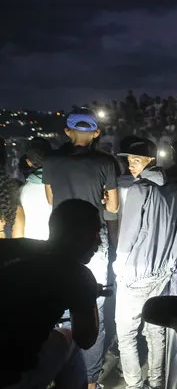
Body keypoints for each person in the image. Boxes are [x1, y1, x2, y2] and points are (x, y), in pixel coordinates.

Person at [42, 109, 119, 389]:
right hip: (92, 241)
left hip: (59, 241)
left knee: (55, 303)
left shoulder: (52, 161)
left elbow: (50, 199)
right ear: (96, 133)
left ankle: (54, 369)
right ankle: (90, 379)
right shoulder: (105, 162)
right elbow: (112, 208)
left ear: (67, 131)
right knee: (91, 304)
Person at [0, 199, 102, 389]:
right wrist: (89, 294)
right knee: (69, 340)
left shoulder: (20, 251)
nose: (99, 242)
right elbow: (86, 338)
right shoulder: (78, 275)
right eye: (95, 233)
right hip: (12, 377)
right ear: (76, 236)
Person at [113, 138, 177, 389]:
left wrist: (119, 267)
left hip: (135, 272)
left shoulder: (139, 189)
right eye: (129, 160)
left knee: (126, 333)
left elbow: (128, 235)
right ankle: (157, 383)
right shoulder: (176, 190)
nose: (131, 165)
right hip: (164, 272)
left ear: (150, 161)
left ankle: (134, 385)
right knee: (156, 331)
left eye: (136, 160)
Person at [20, 138, 53, 240]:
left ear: (28, 162)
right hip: (57, 246)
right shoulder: (62, 183)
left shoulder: (21, 191)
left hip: (29, 246)